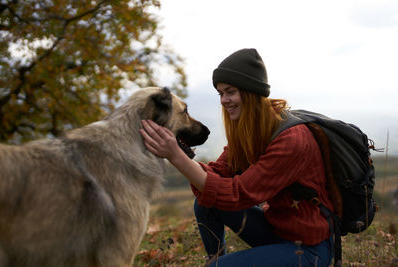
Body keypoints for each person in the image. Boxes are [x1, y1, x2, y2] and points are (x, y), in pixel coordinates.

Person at [140, 48, 334, 266]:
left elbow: (237, 193)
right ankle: (217, 260)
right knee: (205, 203)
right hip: (277, 231)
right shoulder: (253, 129)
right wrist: (178, 148)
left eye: (230, 92)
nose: (224, 100)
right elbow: (217, 175)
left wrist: (175, 156)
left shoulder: (293, 140)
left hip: (309, 249)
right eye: (220, 93)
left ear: (251, 92)